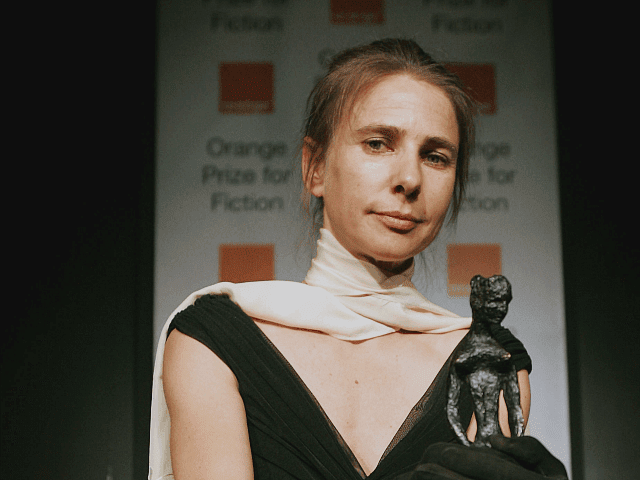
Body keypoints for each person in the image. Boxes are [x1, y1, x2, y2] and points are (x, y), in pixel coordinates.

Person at [149, 38, 567, 480]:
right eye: (378, 143)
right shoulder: (214, 339)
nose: (409, 179)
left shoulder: (491, 360)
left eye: (435, 157)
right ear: (315, 168)